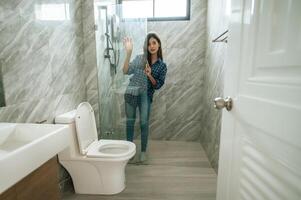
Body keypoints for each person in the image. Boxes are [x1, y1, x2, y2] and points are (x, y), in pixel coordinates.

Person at [123, 32, 167, 164]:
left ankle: (143, 151)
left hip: (145, 95)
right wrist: (129, 53)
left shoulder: (161, 66)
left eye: (154, 43)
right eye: (149, 44)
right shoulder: (140, 59)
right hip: (131, 92)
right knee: (130, 122)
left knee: (143, 123)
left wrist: (149, 75)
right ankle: (129, 151)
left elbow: (158, 85)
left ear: (158, 44)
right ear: (146, 47)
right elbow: (125, 71)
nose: (151, 46)